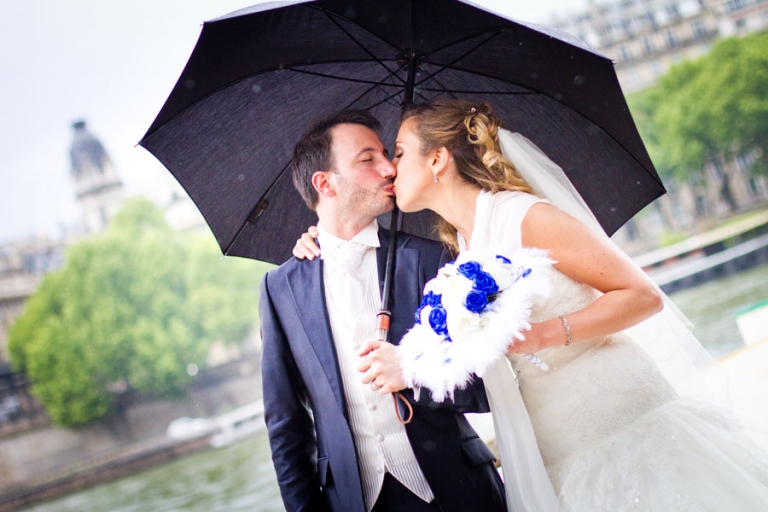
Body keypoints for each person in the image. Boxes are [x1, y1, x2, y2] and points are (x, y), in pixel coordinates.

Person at [294, 99, 768, 511]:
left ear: (437, 159)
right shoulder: (459, 248)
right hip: (550, 444)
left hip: (619, 418)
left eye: (396, 153)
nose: (392, 168)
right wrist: (323, 238)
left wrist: (546, 334)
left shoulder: (524, 217)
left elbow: (641, 296)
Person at [259, 109, 506, 512]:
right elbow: (286, 426)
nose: (389, 168)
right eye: (367, 158)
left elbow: (490, 385)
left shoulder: (434, 259)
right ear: (325, 183)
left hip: (459, 491)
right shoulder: (280, 289)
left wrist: (412, 370)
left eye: (387, 154)